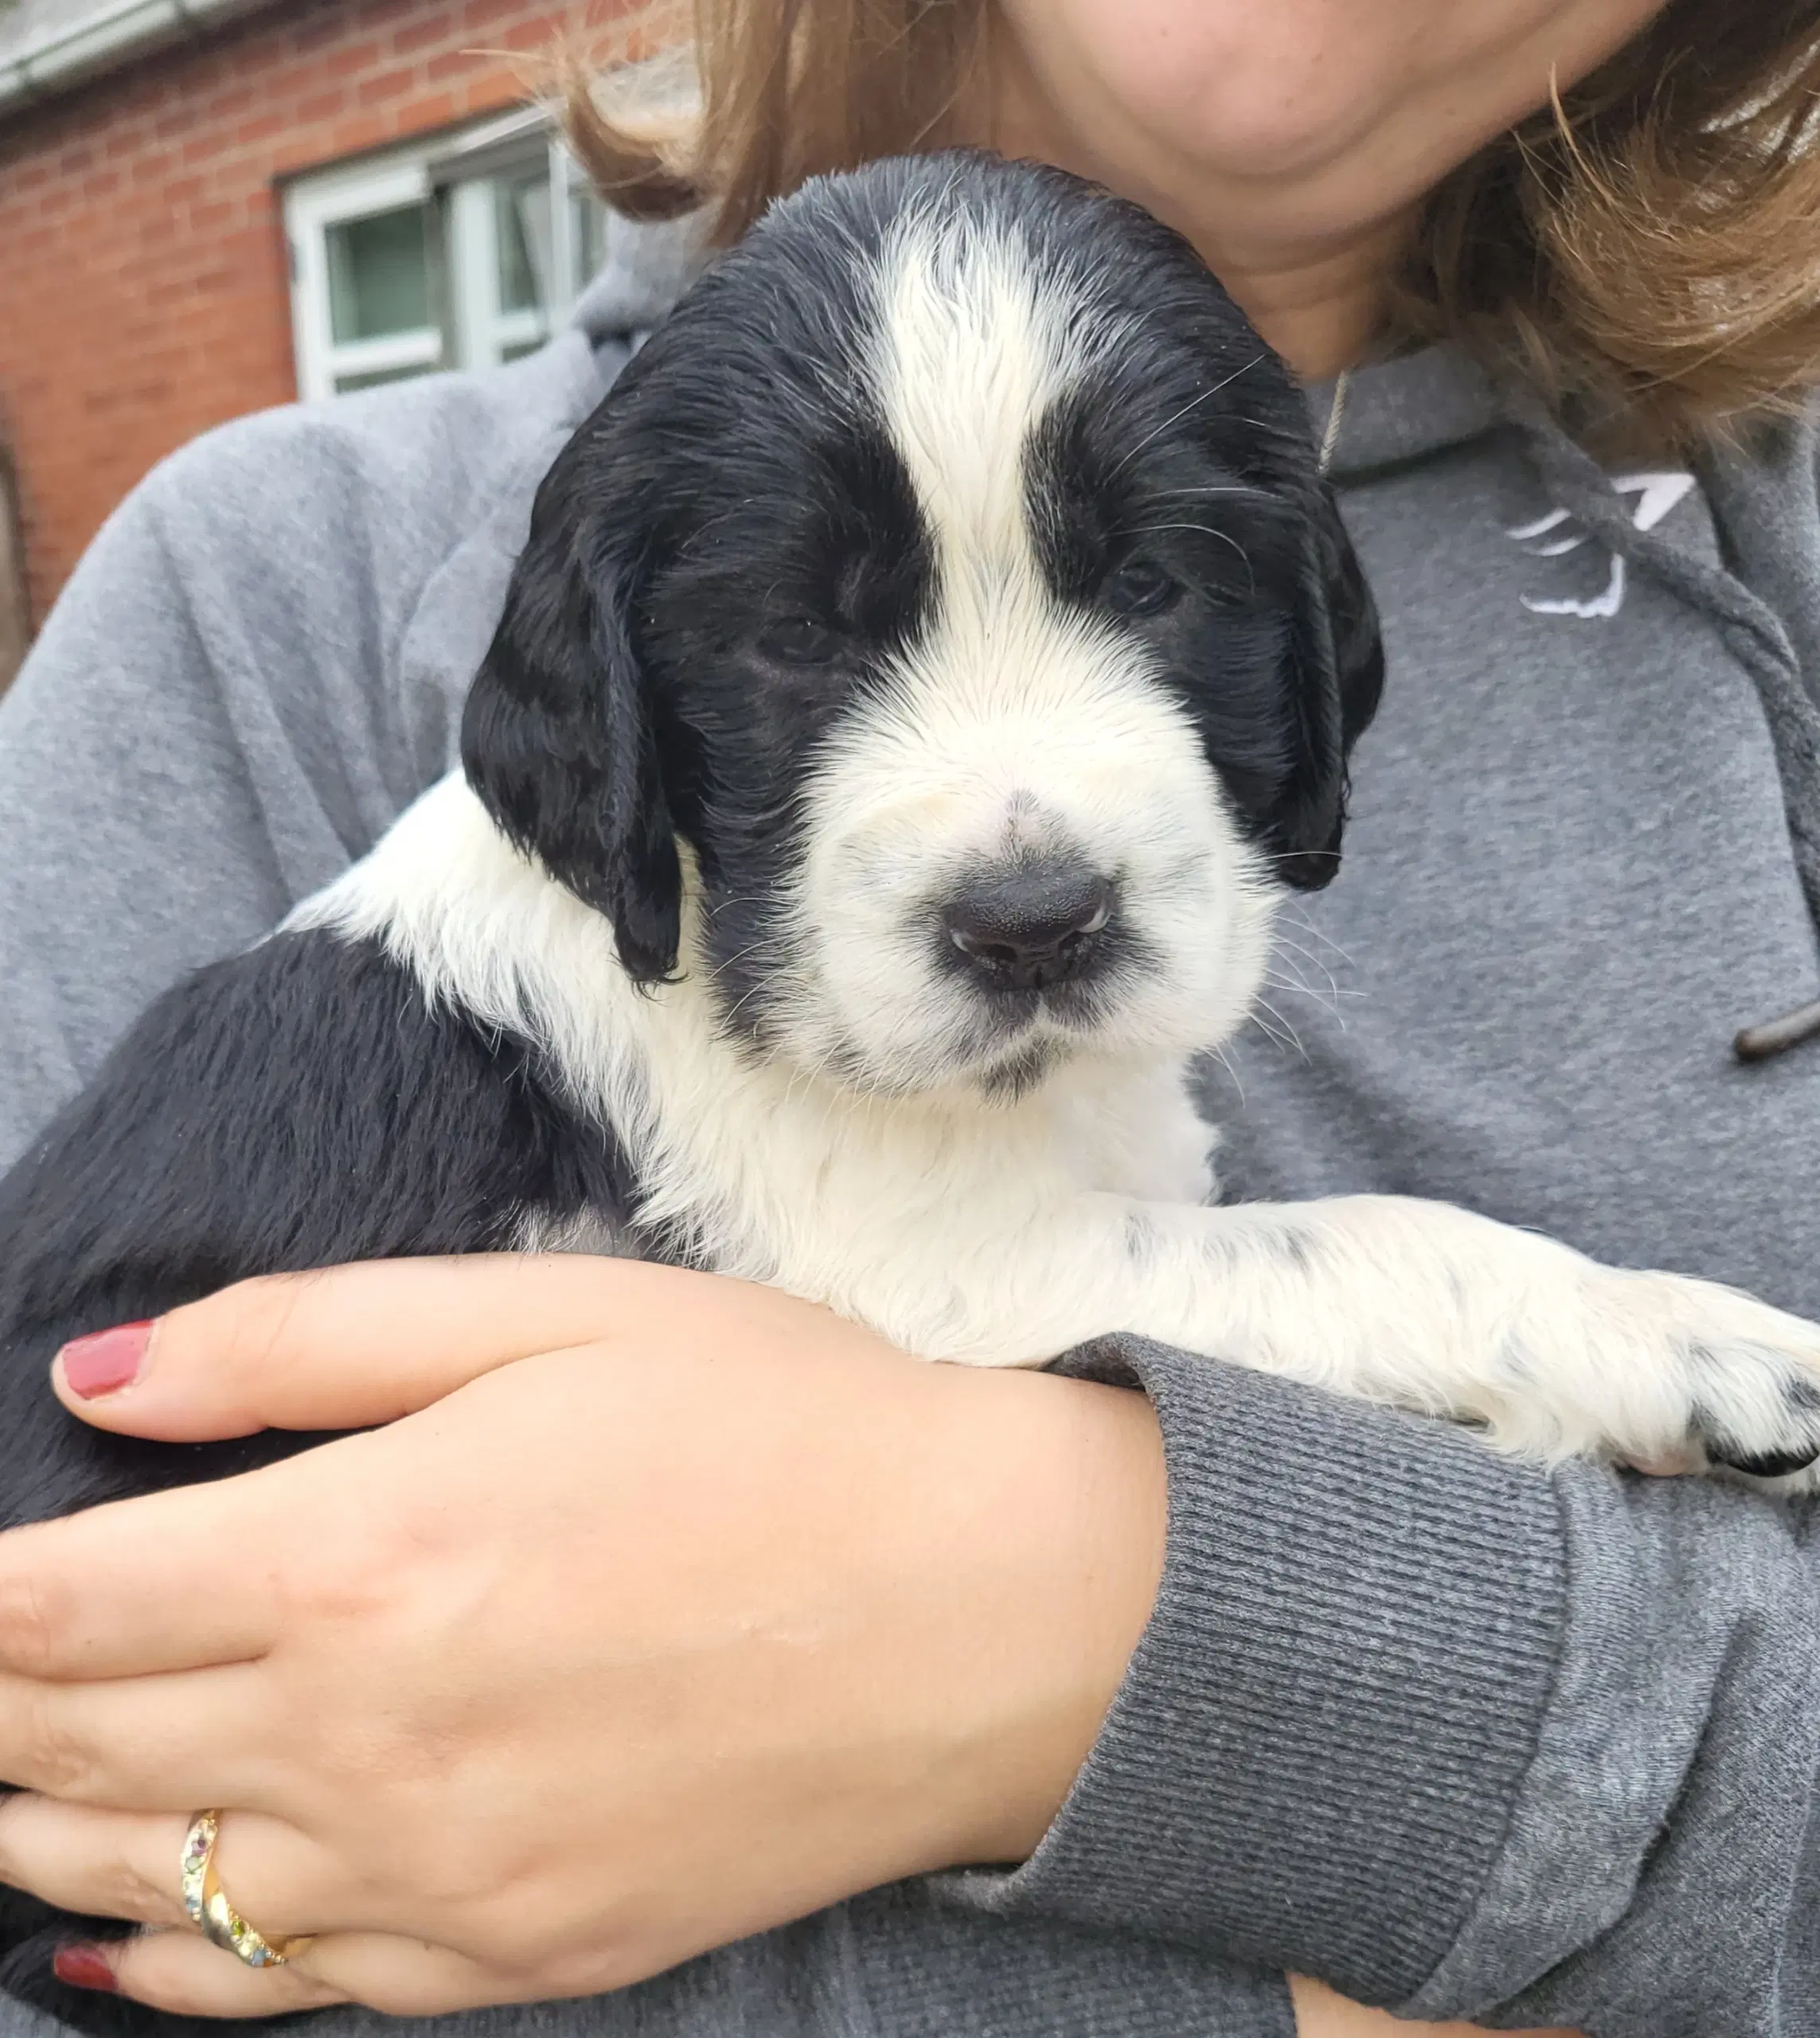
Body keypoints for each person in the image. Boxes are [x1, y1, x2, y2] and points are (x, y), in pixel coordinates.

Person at [0, 2, 1816, 2033]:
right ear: (607, 743)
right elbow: (981, 1304)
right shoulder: (277, 603)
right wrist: (1545, 1321)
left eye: (1146, 591)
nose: (1021, 850)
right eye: (802, 635)